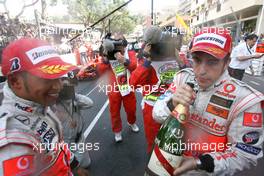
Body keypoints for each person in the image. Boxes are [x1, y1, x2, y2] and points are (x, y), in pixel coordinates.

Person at [152, 28, 264, 175]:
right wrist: (171, 103)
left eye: (212, 62)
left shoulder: (245, 100)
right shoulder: (182, 78)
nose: (201, 71)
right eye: (197, 60)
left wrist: (199, 163)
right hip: (164, 161)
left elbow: (246, 154)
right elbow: (156, 115)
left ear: (227, 62)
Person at [0, 38, 88, 175]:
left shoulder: (40, 104)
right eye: (47, 78)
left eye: (59, 76)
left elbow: (57, 144)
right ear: (15, 81)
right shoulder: (12, 139)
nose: (58, 86)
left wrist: (75, 166)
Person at [128, 26, 182, 154]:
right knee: (153, 142)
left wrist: (179, 59)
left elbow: (189, 77)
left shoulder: (177, 57)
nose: (162, 49)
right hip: (152, 108)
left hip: (175, 106)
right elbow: (133, 83)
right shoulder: (146, 58)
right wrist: (147, 60)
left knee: (174, 141)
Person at [97, 33, 139, 142]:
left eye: (118, 42)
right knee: (114, 112)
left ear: (124, 44)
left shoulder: (130, 53)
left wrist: (124, 60)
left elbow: (134, 67)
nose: (116, 45)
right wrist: (105, 60)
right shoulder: (107, 54)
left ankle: (132, 122)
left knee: (131, 109)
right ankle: (117, 131)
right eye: (114, 42)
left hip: (128, 87)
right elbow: (100, 71)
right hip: (114, 89)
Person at [53, 71, 94, 169]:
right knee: (73, 168)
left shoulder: (75, 100)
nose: (70, 90)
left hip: (79, 138)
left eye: (72, 88)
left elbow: (90, 103)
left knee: (86, 164)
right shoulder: (53, 105)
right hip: (66, 143)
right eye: (67, 88)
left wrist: (74, 96)